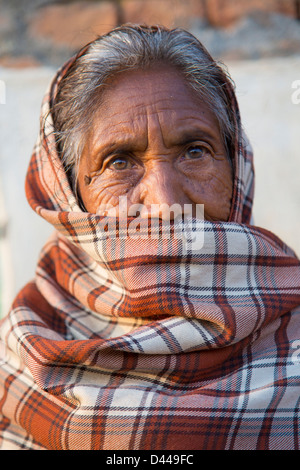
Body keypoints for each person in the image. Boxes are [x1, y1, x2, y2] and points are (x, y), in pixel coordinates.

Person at [0, 24, 299, 451]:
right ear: (67, 195)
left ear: (236, 169)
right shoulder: (19, 360)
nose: (165, 203)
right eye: (118, 161)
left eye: (195, 151)